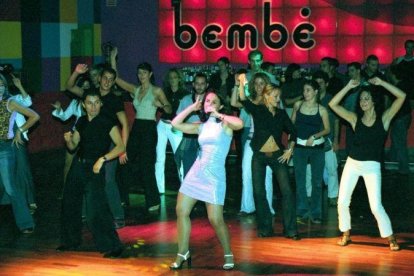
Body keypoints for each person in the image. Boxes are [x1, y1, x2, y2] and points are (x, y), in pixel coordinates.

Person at [328, 77, 406, 251]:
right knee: (342, 202)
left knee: (376, 206)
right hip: (352, 164)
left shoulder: (384, 119)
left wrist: (382, 83)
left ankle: (391, 237)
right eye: (361, 98)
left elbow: (402, 96)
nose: (363, 101)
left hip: (372, 167)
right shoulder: (355, 119)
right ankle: (345, 233)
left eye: (366, 98)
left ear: (373, 102)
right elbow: (333, 105)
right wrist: (348, 86)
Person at [170, 90, 243, 270]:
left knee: (215, 219)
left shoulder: (225, 124)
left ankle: (228, 252)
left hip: (214, 175)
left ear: (220, 105)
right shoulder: (201, 125)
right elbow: (175, 123)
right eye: (207, 101)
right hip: (197, 172)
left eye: (213, 101)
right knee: (181, 210)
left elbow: (240, 124)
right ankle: (182, 252)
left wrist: (219, 115)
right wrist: (192, 107)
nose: (209, 103)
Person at [57, 90, 125, 257]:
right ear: (83, 105)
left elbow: (121, 146)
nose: (93, 106)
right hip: (78, 166)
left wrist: (103, 159)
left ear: (101, 103)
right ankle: (70, 241)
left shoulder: (107, 122)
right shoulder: (81, 121)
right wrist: (68, 140)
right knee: (69, 204)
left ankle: (113, 246)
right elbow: (73, 147)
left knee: (96, 210)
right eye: (89, 103)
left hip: (95, 168)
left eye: (96, 102)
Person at [238, 74, 299, 239]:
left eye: (278, 96)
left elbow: (293, 131)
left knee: (287, 191)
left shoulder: (281, 113)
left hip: (278, 156)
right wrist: (242, 82)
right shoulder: (257, 110)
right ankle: (265, 227)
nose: (278, 99)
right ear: (266, 96)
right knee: (259, 192)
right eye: (275, 96)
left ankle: (290, 229)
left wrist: (290, 149)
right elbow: (243, 98)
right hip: (259, 155)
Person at [66, 64, 127, 227]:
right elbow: (70, 87)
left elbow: (125, 125)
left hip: (109, 144)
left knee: (108, 179)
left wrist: (122, 149)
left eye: (111, 79)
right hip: (90, 142)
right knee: (86, 177)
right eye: (105, 78)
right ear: (99, 79)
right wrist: (76, 73)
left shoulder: (114, 99)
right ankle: (86, 214)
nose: (107, 81)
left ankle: (118, 216)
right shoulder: (90, 94)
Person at [111, 49, 172, 211]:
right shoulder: (136, 90)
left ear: (150, 74)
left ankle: (153, 200)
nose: (141, 75)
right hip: (137, 127)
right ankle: (123, 198)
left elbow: (169, 107)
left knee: (146, 165)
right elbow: (116, 79)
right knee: (124, 161)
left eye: (144, 73)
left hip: (149, 128)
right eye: (139, 73)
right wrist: (112, 58)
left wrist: (162, 105)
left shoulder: (156, 90)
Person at [231, 72, 275, 216]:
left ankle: (267, 207)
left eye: (261, 83)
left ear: (266, 84)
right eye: (256, 83)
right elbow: (233, 103)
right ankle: (247, 207)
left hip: (267, 142)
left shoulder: (272, 99)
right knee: (246, 173)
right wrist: (237, 85)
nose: (258, 86)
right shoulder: (250, 100)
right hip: (250, 140)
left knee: (267, 175)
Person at [0, 75, 39, 234]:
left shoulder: (10, 103)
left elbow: (35, 116)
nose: (0, 87)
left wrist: (20, 131)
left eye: (1, 84)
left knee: (11, 187)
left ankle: (25, 223)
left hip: (4, 149)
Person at [291, 80, 330, 224]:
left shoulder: (322, 109)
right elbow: (292, 126)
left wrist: (314, 136)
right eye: (304, 90)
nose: (305, 93)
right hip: (300, 148)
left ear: (315, 91)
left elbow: (327, 129)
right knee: (300, 180)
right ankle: (301, 211)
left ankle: (316, 212)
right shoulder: (298, 105)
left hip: (316, 149)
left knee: (317, 182)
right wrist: (291, 145)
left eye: (308, 90)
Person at [155, 68, 188, 193]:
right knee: (159, 157)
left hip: (176, 126)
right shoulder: (164, 92)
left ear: (179, 78)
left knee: (179, 157)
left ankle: (185, 188)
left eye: (175, 77)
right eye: (171, 77)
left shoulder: (184, 93)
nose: (173, 79)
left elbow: (184, 112)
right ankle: (159, 188)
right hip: (162, 124)